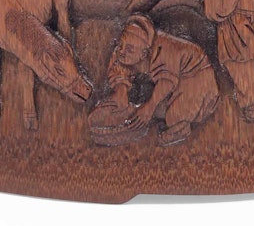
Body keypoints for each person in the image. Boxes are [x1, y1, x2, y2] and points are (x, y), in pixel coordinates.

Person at [93, 14, 219, 146]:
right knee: (154, 109)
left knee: (174, 115)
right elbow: (118, 68)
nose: (122, 51)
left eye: (129, 49)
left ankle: (181, 129)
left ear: (144, 54)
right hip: (176, 82)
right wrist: (121, 92)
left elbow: (166, 82)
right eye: (120, 46)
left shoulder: (164, 49)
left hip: (197, 76)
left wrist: (149, 107)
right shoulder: (125, 48)